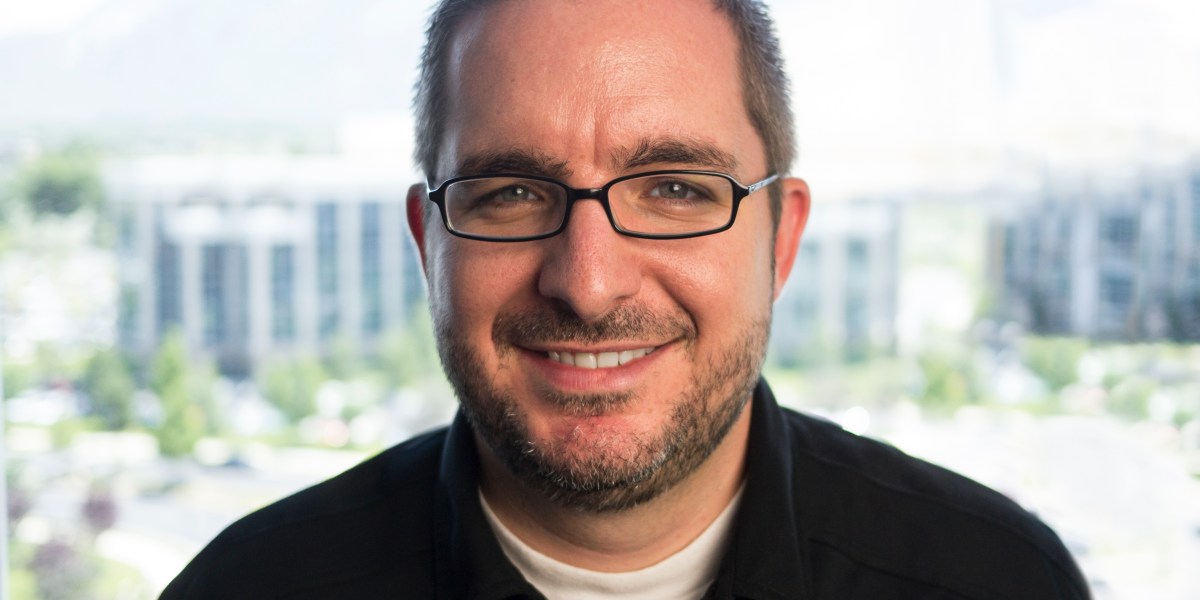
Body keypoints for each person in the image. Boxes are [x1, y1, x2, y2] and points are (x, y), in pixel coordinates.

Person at [161, 1, 1091, 598]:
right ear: (428, 243)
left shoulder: (996, 581)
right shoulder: (247, 589)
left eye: (676, 189)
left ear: (781, 241)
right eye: (511, 193)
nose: (588, 282)